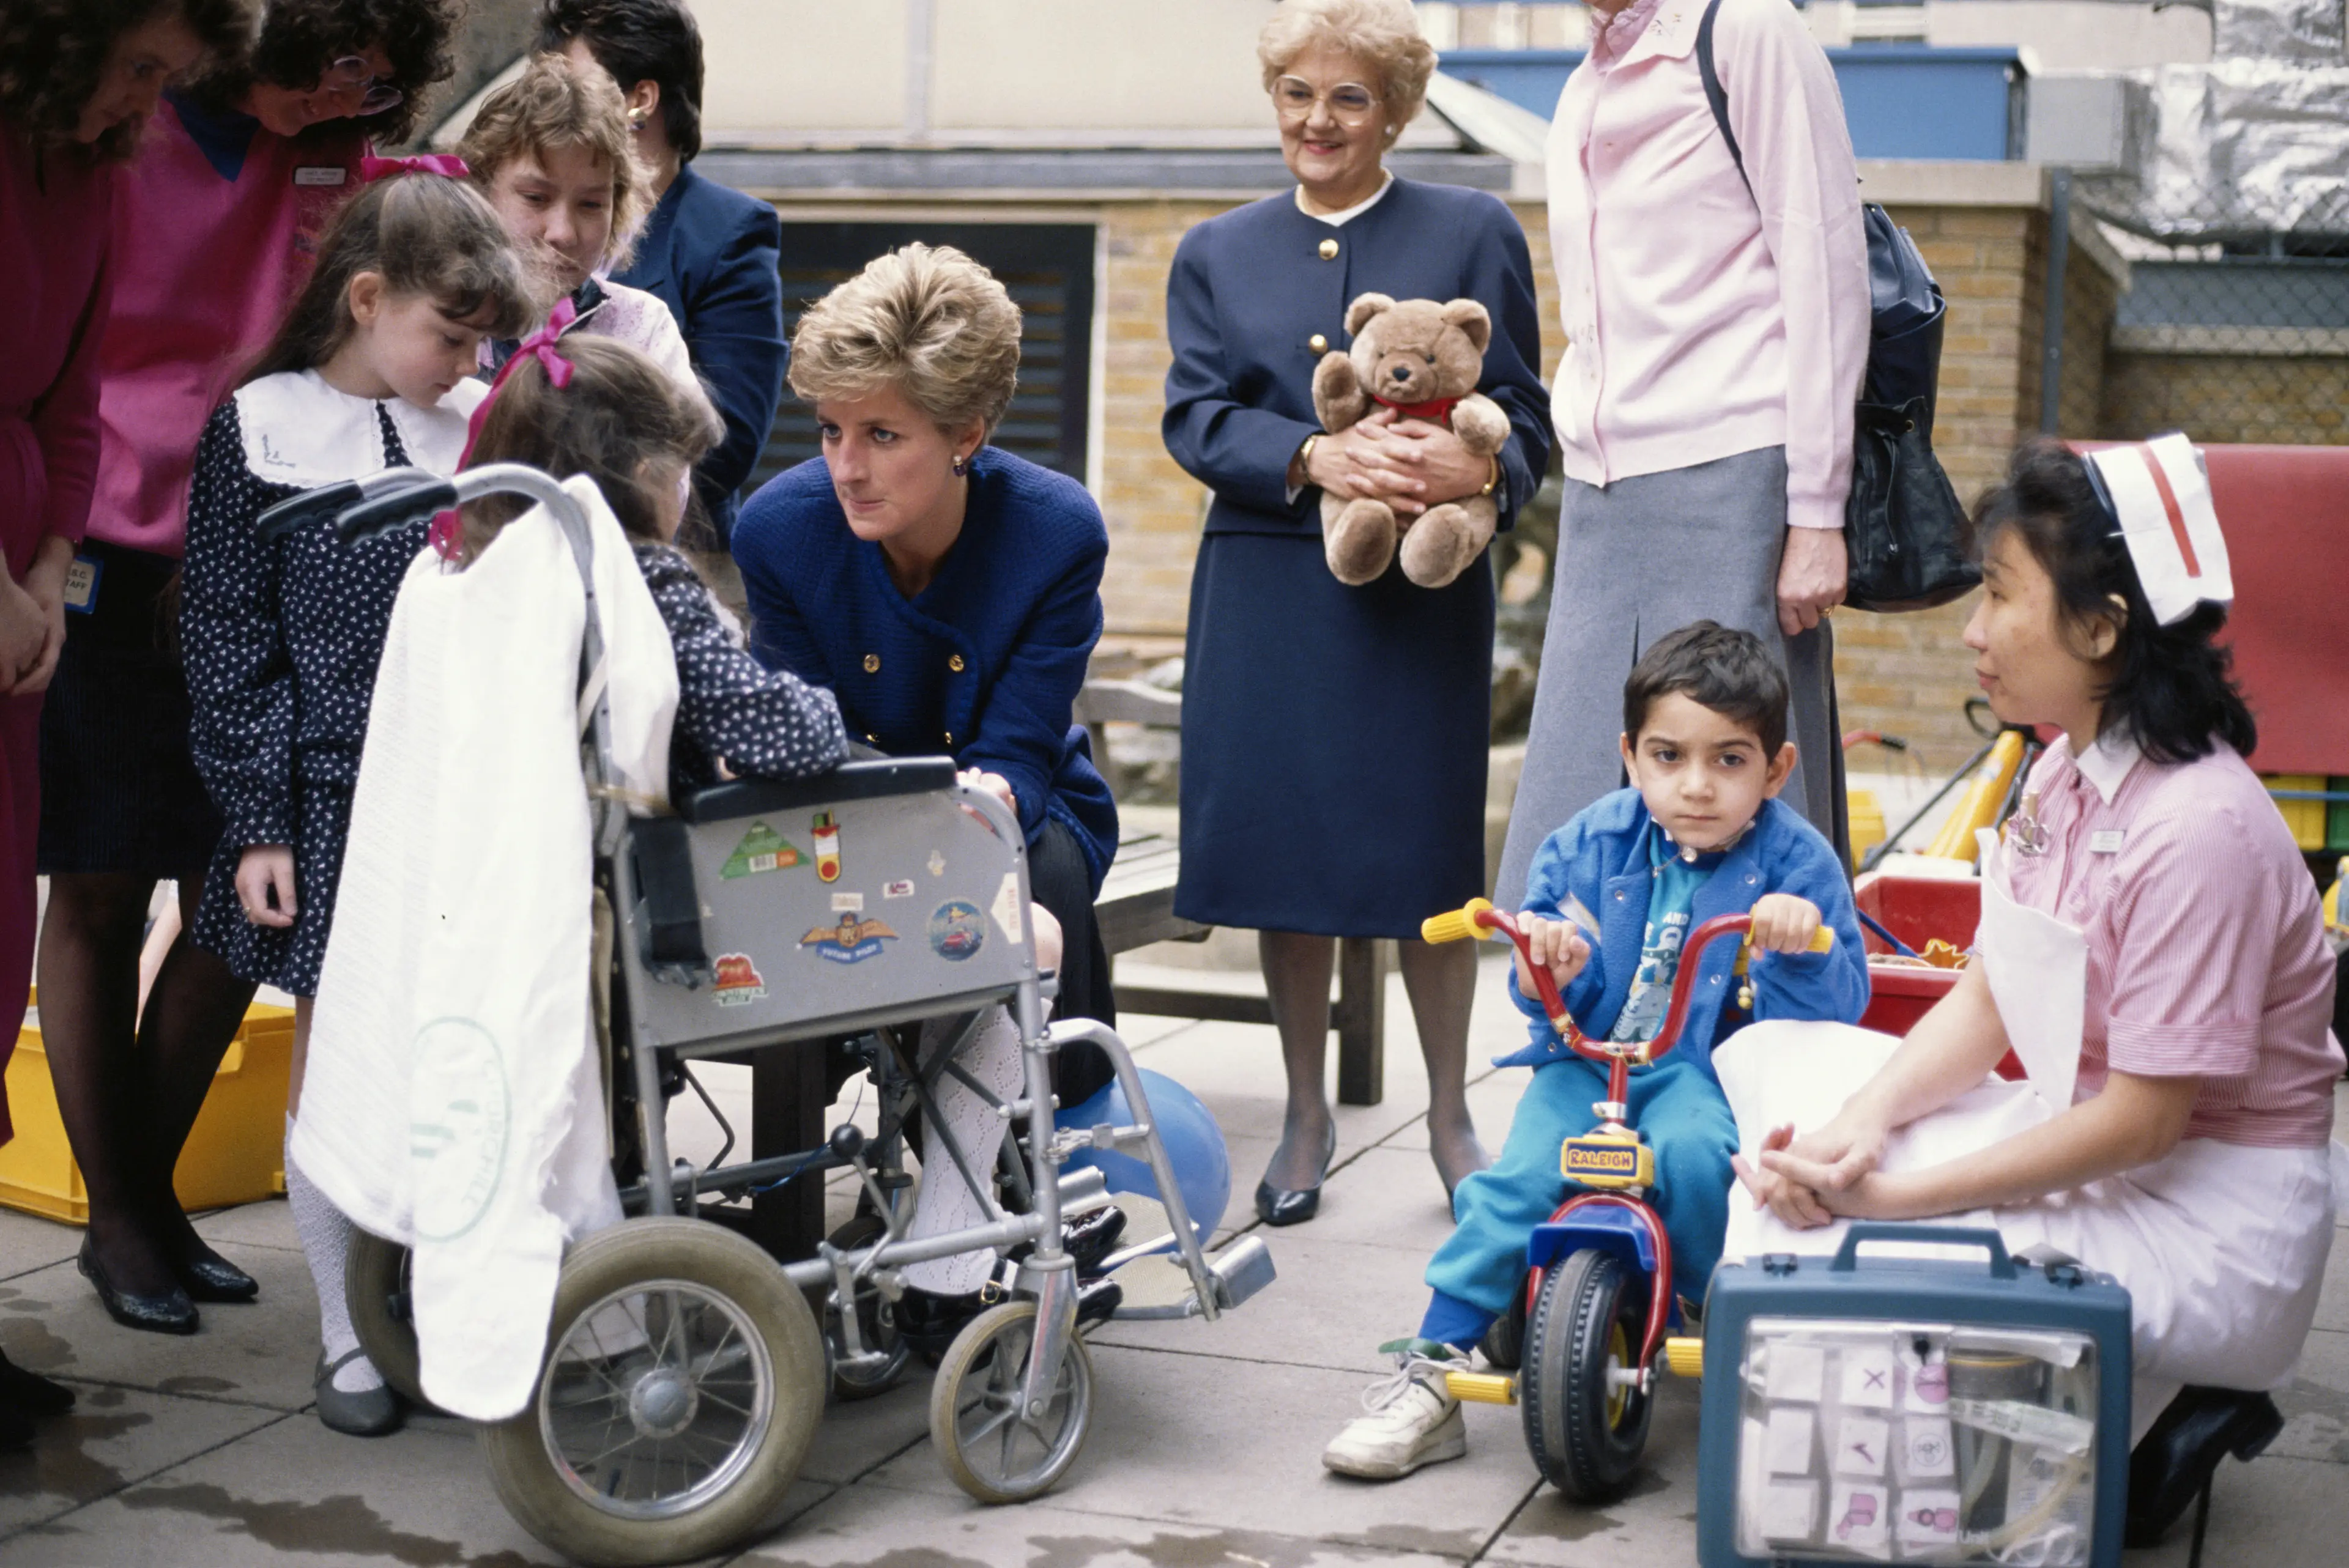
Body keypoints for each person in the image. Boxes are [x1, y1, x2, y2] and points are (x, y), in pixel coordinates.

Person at [1720, 437, 2343, 1544]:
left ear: (2102, 625)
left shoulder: (2197, 827)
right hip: (2107, 1143)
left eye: (2002, 593)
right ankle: (2102, 1419)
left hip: (2209, 1210)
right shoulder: (2067, 763)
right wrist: (1858, 1128)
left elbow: (2149, 1121)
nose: (1971, 627)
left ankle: (2151, 1414)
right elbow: (2001, 988)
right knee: (1798, 1093)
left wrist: (1908, 1196)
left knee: (1883, 1244)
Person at [464, 333, 1120, 1353]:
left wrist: (951, 802)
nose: (844, 464)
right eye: (829, 430)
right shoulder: (750, 543)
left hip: (971, 803)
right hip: (811, 826)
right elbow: (793, 734)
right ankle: (957, 1238)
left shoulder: (1052, 525)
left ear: (968, 436)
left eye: (882, 435)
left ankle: (997, 1181)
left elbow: (1017, 744)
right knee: (996, 937)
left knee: (1021, 889)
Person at [37, 0, 461, 1336]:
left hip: (263, 554)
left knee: (234, 899)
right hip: (106, 543)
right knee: (101, 886)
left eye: (376, 89)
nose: (345, 105)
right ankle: (120, 1217)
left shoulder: (345, 159)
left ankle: (149, 1199)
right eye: (337, 72)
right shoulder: (132, 112)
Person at [1162, 0, 1551, 1223]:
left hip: (1416, 606)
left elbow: (1531, 417)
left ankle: (1448, 1113)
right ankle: (1306, 1115)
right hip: (1272, 586)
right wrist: (1312, 459)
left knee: (1424, 850)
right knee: (1291, 859)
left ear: (1394, 110)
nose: (1317, 120)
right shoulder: (1215, 250)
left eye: (1347, 97)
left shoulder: (1474, 228)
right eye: (1296, 93)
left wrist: (1478, 470)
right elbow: (1195, 416)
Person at [1321, 621, 1867, 1479]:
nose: (1696, 785)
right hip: (1588, 1064)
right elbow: (1541, 994)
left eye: (1730, 760)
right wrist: (1551, 969)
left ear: (1777, 769)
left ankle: (1713, 1310)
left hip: (1702, 1070)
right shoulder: (1586, 845)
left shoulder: (1798, 862)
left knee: (1698, 1159)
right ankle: (1435, 1368)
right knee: (1514, 1182)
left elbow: (1835, 1016)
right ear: (1630, 755)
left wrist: (1805, 948)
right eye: (1668, 756)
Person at [178, 169, 535, 1430]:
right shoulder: (260, 425)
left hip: (473, 798)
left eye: (486, 337)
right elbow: (229, 636)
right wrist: (261, 818)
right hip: (329, 796)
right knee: (338, 1063)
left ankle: (436, 1305)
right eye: (451, 332)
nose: (470, 359)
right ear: (367, 299)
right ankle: (344, 1329)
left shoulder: (490, 426)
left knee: (463, 1054)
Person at [0, 0, 245, 1444]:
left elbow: (77, 396)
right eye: (142, 67)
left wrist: (40, 569)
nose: (151, 106)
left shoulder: (85, 171)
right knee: (90, 893)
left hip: (31, 616)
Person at [1495, 0, 1870, 907]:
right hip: (1601, 491)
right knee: (1584, 820)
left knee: (1734, 811)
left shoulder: (1747, 28)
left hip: (1731, 470)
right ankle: (1595, 1042)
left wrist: (1818, 509)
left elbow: (1825, 264)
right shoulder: (1589, 75)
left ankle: (1749, 1035)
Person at [536, 0, 786, 544]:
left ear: (640, 100)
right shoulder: (530, 217)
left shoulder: (730, 230)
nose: (551, 101)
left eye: (570, 80)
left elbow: (728, 440)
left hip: (666, 548)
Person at [460, 51, 697, 399]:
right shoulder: (433, 317)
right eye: (535, 198)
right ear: (480, 192)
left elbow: (675, 447)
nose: (563, 233)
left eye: (591, 205)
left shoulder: (642, 328)